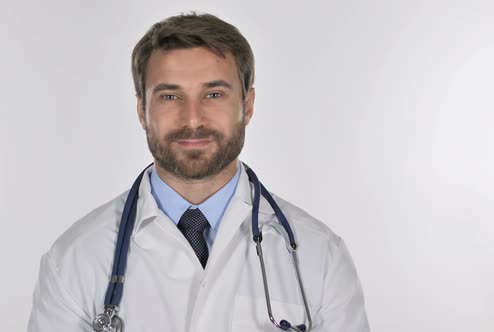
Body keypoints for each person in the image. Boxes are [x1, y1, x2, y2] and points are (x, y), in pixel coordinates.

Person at [28, 12, 370, 332]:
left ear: (247, 106)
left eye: (214, 94)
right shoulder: (75, 261)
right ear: (142, 110)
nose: (192, 119)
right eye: (170, 96)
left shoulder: (319, 256)